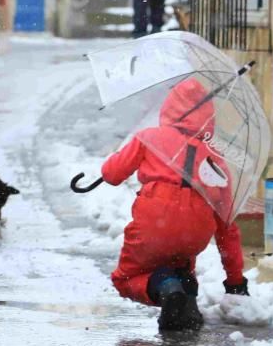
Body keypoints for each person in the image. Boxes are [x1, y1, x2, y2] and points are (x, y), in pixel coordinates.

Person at [100, 78, 248, 332]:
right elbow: (226, 225)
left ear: (170, 106)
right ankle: (185, 295)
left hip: (154, 224)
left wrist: (116, 157)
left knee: (125, 279)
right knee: (180, 258)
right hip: (196, 232)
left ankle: (168, 288)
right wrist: (235, 281)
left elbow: (112, 174)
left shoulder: (149, 138)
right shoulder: (216, 158)